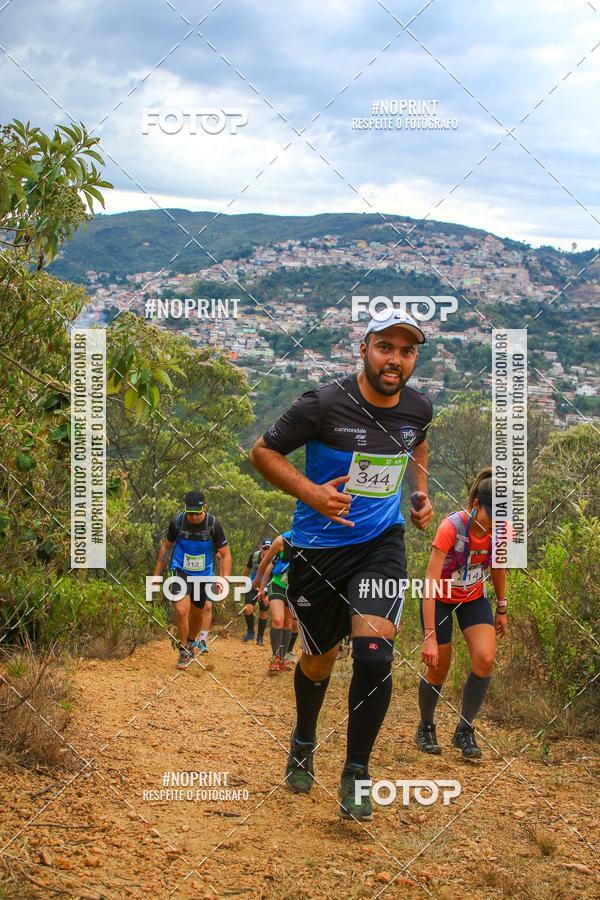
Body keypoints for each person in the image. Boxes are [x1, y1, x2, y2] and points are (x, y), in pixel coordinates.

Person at [249, 308, 433, 821]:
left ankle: (356, 771)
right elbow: (262, 452)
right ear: (364, 349)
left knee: (375, 655)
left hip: (380, 543)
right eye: (385, 348)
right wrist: (311, 493)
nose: (395, 359)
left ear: (413, 358)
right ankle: (304, 737)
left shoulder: (418, 407)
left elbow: (417, 443)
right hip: (318, 549)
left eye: (407, 350)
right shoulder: (325, 403)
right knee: (319, 659)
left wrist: (418, 494)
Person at [417, 468, 508, 760]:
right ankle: (426, 726)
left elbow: (498, 567)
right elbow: (429, 583)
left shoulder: (501, 530)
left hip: (472, 598)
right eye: (491, 514)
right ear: (476, 506)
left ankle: (464, 729)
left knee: (485, 658)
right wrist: (429, 636)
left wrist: (502, 607)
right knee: (438, 666)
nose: (496, 522)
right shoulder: (451, 528)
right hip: (440, 598)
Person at [153, 490, 231, 669]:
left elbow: (225, 554)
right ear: (185, 509)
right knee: (181, 610)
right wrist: (157, 574)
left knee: (197, 611)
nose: (194, 517)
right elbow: (166, 546)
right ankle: (183, 651)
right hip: (180, 570)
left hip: (203, 574)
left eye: (197, 513)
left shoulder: (213, 524)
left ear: (205, 507)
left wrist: (224, 579)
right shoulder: (178, 522)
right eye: (191, 513)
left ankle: (190, 643)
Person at [254, 531, 298, 675]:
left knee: (288, 623)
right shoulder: (283, 541)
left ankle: (283, 658)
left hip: (294, 589)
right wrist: (261, 586)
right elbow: (268, 566)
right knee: (278, 620)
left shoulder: (312, 543)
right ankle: (275, 658)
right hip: (277, 584)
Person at [241, 539, 272, 645]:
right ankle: (250, 632)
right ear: (261, 548)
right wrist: (242, 581)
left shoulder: (275, 559)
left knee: (264, 611)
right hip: (252, 585)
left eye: (269, 548)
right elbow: (247, 568)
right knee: (247, 608)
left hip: (267, 587)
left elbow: (275, 577)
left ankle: (260, 637)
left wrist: (270, 594)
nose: (267, 550)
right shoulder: (254, 556)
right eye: (265, 548)